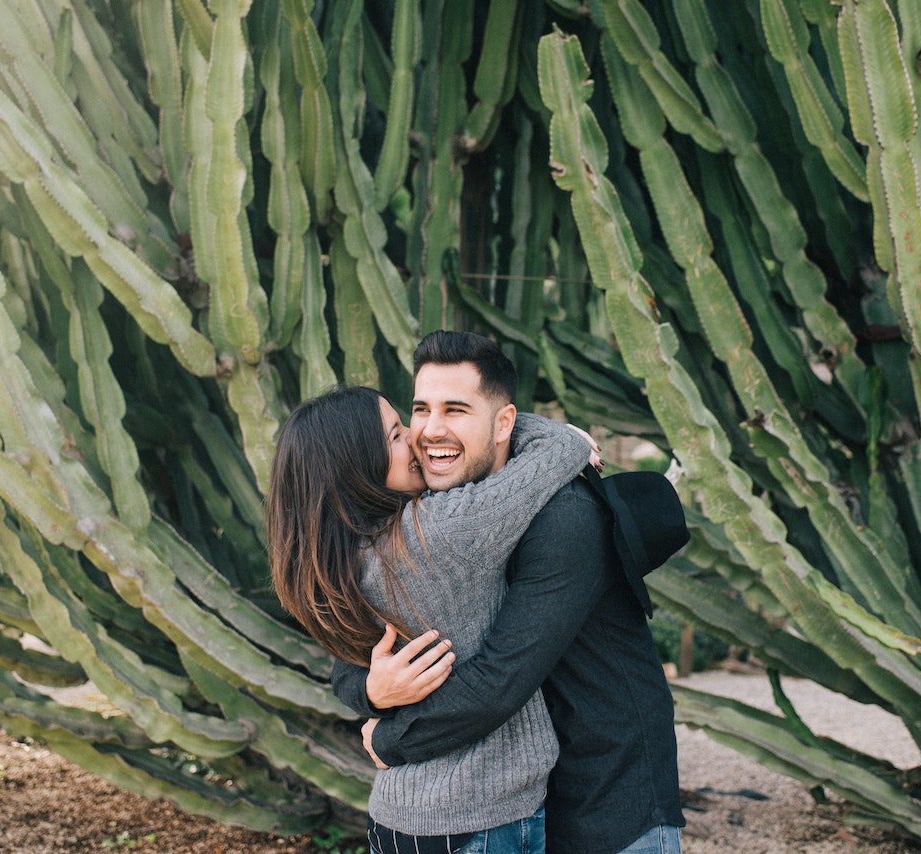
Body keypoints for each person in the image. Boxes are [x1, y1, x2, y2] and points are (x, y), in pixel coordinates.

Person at [332, 331, 686, 854]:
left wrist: (388, 740)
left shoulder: (564, 517)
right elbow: (352, 646)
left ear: (503, 423)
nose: (430, 430)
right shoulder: (440, 516)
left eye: (455, 409)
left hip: (607, 800)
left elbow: (502, 678)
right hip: (518, 807)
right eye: (421, 409)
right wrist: (371, 689)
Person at [268, 369, 595, 853]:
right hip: (480, 820)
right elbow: (559, 453)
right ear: (360, 461)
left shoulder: (341, 561)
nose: (420, 437)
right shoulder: (439, 531)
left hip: (398, 815)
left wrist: (372, 693)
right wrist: (534, 426)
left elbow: (348, 671)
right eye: (397, 434)